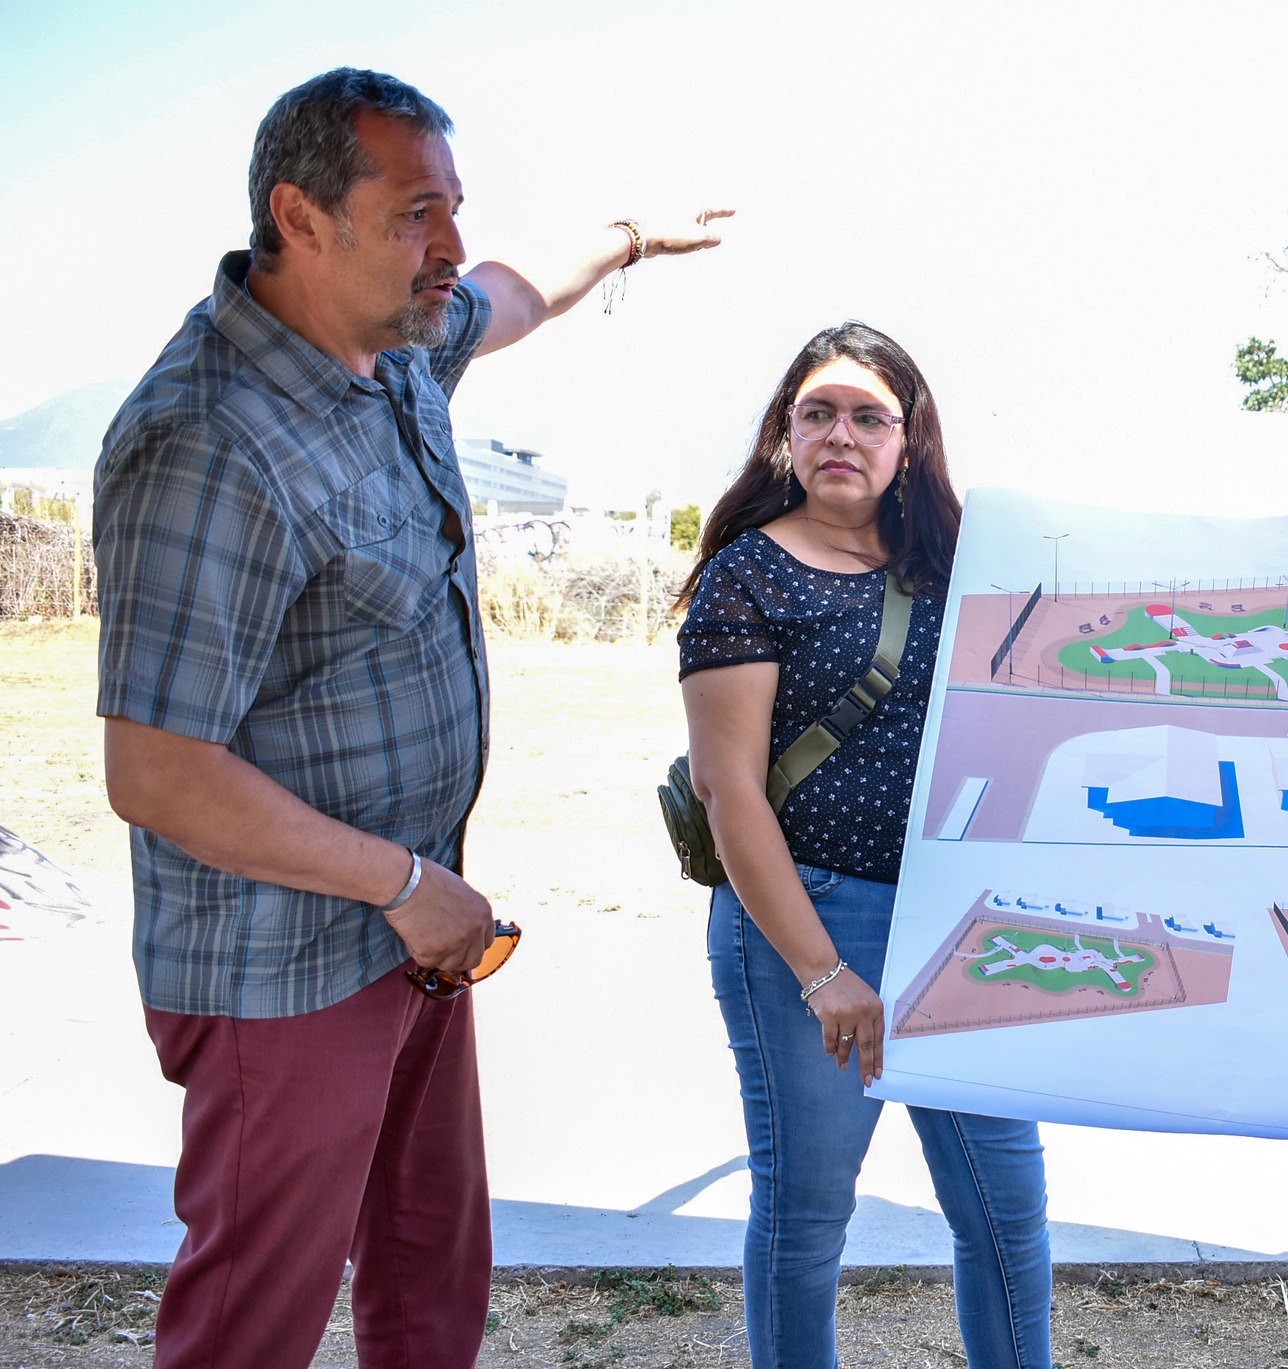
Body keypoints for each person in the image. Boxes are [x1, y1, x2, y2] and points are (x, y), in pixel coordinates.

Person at [93, 68, 729, 1369]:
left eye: (453, 210)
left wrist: (631, 236)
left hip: (416, 926)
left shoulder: (388, 345)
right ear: (303, 219)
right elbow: (156, 770)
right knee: (251, 1320)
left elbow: (511, 288)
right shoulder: (209, 439)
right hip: (284, 964)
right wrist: (402, 884)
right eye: (414, 213)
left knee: (431, 1256)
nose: (446, 248)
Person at [678, 322, 1052, 1369]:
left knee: (1006, 1218)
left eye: (867, 415)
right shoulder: (745, 576)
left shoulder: (965, 561)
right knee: (805, 1223)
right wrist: (822, 971)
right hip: (808, 920)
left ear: (908, 437)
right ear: (784, 435)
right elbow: (728, 790)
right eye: (817, 413)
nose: (840, 433)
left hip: (961, 929)